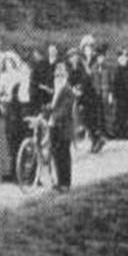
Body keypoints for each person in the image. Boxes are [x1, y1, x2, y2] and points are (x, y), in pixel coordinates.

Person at [49, 62, 76, 191]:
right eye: (56, 75)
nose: (58, 78)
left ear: (66, 76)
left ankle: (66, 183)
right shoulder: (57, 91)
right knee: (56, 155)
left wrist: (54, 117)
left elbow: (64, 109)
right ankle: (60, 181)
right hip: (55, 128)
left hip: (64, 128)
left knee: (64, 155)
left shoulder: (68, 91)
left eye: (61, 75)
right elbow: (53, 107)